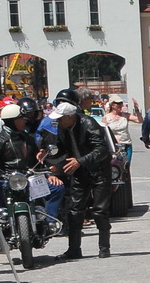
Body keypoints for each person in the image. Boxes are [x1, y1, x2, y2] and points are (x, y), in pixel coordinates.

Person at [48, 100, 112, 259]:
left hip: (99, 171)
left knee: (99, 211)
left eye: (61, 118)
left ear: (70, 116)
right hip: (79, 172)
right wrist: (47, 153)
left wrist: (81, 161)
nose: (58, 121)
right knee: (74, 211)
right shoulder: (63, 127)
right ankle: (74, 249)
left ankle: (104, 247)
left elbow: (101, 149)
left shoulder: (88, 124)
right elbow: (59, 148)